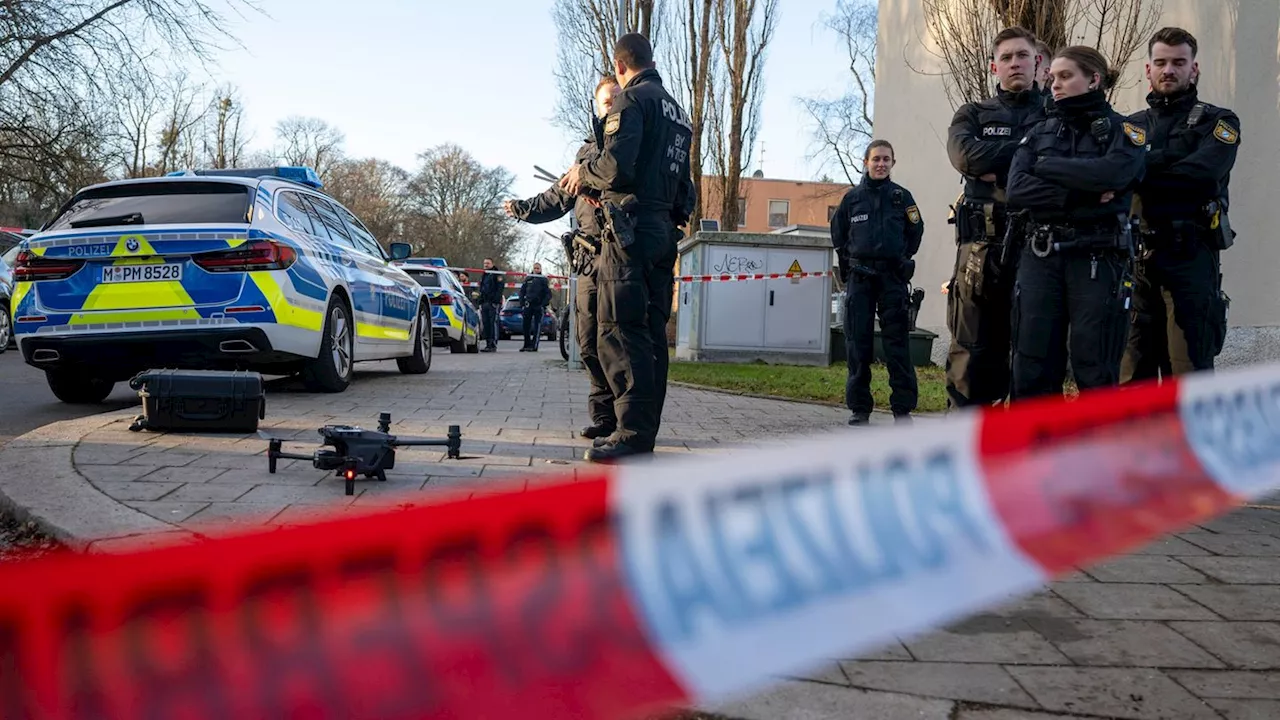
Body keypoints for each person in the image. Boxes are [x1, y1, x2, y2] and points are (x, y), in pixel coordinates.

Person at [558, 33, 693, 463]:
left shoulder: (632, 102)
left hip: (629, 232)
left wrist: (584, 173)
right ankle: (644, 430)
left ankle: (630, 432)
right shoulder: (679, 113)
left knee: (618, 327)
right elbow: (684, 187)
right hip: (663, 232)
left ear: (620, 66)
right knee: (652, 333)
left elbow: (615, 165)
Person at [1006, 45, 1148, 400]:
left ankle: (1096, 454)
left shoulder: (1125, 131)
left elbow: (1112, 174)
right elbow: (1017, 189)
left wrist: (1045, 167)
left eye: (1066, 76)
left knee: (1095, 363)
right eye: (1053, 77)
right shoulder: (1039, 132)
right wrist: (1077, 195)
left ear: (1094, 79)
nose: (1055, 84)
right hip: (1041, 256)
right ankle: (1034, 452)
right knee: (1033, 364)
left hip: (1097, 257)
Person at [505, 75, 623, 439]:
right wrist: (523, 208)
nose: (614, 107)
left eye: (618, 100)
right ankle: (604, 416)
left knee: (615, 342)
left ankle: (626, 420)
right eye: (607, 102)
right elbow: (557, 197)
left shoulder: (630, 145)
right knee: (587, 343)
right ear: (597, 107)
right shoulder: (586, 152)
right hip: (588, 260)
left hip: (620, 257)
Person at [1121, 27, 1239, 382]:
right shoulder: (1128, 126)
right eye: (1160, 62)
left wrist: (1144, 165)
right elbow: (1115, 177)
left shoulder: (1219, 121)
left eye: (1178, 62)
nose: (1168, 70)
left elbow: (1203, 175)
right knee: (1132, 377)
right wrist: (1171, 162)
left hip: (1191, 256)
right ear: (1148, 70)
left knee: (1190, 375)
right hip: (1137, 260)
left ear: (1194, 68)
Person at [944, 26, 1048, 410]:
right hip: (980, 255)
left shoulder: (1055, 115)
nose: (1014, 63)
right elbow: (965, 156)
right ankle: (964, 454)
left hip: (1038, 251)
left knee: (1032, 358)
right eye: (1006, 58)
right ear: (993, 67)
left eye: (1022, 55)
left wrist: (996, 163)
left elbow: (1061, 166)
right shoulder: (972, 113)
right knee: (970, 357)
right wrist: (1029, 156)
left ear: (1037, 63)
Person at [832, 139, 923, 426]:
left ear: (892, 163)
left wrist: (902, 256)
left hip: (892, 278)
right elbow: (839, 235)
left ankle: (902, 409)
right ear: (866, 162)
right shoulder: (852, 199)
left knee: (898, 345)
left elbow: (916, 230)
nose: (881, 164)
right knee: (858, 344)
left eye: (886, 159)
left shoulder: (902, 197)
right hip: (860, 278)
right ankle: (860, 408)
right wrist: (849, 263)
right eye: (876, 159)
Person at [518, 263, 551, 351]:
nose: (536, 270)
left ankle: (534, 346)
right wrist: (522, 303)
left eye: (538, 268)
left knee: (537, 326)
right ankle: (526, 344)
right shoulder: (528, 278)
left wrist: (543, 304)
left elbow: (548, 294)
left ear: (540, 269)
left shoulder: (543, 279)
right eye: (535, 268)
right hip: (528, 305)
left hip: (538, 305)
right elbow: (522, 291)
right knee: (526, 326)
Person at [477, 258, 503, 352]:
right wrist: (480, 300)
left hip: (493, 303)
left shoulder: (497, 274)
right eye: (484, 263)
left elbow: (500, 288)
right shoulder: (484, 274)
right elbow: (482, 288)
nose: (486, 265)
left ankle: (493, 344)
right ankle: (488, 344)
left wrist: (495, 301)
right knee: (486, 323)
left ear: (492, 264)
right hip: (485, 302)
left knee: (493, 323)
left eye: (488, 263)